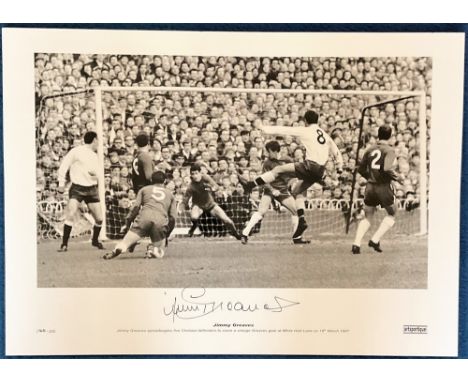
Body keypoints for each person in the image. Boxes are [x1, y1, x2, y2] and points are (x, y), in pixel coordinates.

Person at [244, 110, 343, 240]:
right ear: (317, 120)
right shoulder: (324, 134)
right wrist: (339, 167)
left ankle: (251, 184)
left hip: (310, 165)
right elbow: (336, 151)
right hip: (320, 171)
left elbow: (285, 130)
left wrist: (265, 129)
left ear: (306, 121)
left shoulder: (306, 130)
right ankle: (301, 220)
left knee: (279, 169)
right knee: (297, 191)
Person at [241, 141, 309, 245]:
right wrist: (272, 190)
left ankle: (297, 237)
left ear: (273, 151)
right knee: (261, 211)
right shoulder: (267, 163)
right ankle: (244, 234)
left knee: (296, 211)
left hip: (283, 191)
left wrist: (292, 184)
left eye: (268, 151)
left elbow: (292, 176)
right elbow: (263, 180)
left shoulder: (287, 160)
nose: (267, 154)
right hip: (269, 190)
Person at [103, 171, 177, 260]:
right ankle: (153, 251)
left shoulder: (144, 189)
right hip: (160, 221)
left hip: (144, 218)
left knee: (125, 242)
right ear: (165, 181)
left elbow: (136, 208)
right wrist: (166, 234)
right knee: (159, 250)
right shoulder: (170, 194)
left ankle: (119, 248)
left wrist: (128, 223)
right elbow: (173, 218)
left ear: (151, 180)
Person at [352, 125, 401, 254]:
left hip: (370, 187)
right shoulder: (389, 150)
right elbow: (386, 169)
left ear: (378, 135)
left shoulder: (370, 149)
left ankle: (356, 244)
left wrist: (370, 177)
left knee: (368, 216)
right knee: (392, 213)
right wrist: (398, 177)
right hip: (383, 187)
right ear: (390, 136)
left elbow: (361, 169)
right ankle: (374, 239)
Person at [57, 131, 104, 252]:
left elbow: (99, 173)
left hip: (91, 188)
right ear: (94, 140)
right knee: (71, 213)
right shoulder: (76, 151)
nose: (99, 143)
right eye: (98, 140)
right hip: (77, 187)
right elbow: (64, 165)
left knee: (99, 219)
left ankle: (94, 240)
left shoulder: (94, 155)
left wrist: (96, 174)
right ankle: (64, 244)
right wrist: (61, 183)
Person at [182, 164, 241, 240]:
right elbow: (185, 199)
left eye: (196, 173)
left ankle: (236, 235)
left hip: (210, 204)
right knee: (194, 217)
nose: (195, 176)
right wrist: (181, 208)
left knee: (227, 220)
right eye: (193, 174)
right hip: (198, 205)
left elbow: (216, 186)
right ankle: (193, 227)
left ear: (200, 173)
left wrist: (211, 189)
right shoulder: (191, 186)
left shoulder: (206, 178)